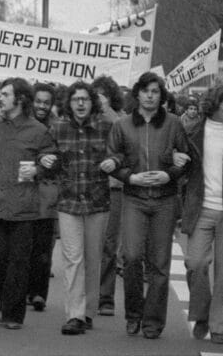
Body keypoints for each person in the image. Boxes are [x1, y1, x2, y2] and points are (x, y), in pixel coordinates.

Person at [101, 71, 190, 339]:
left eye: (155, 91)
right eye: (146, 90)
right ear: (137, 93)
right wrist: (130, 176)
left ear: (161, 96)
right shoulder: (123, 125)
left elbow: (186, 160)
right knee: (130, 258)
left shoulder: (173, 124)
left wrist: (170, 174)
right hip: (134, 198)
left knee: (160, 265)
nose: (150, 96)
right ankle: (133, 315)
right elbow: (113, 159)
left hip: (164, 200)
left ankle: (153, 322)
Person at [0, 77, 55, 330]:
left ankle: (14, 314)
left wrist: (41, 167)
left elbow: (51, 162)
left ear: (20, 99)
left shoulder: (38, 130)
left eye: (4, 94)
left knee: (19, 262)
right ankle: (5, 301)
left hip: (24, 206)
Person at [41, 81, 114, 335]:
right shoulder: (58, 126)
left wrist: (114, 160)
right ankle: (74, 314)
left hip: (97, 201)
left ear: (92, 102)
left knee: (93, 258)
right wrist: (45, 158)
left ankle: (88, 311)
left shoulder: (106, 125)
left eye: (85, 99)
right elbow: (46, 153)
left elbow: (121, 152)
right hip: (68, 201)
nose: (80, 104)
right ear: (68, 104)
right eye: (75, 100)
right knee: (73, 258)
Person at [181, 85, 223, 345]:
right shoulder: (193, 132)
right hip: (200, 208)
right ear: (215, 106)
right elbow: (181, 168)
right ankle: (202, 314)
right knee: (195, 264)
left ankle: (219, 327)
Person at [91, 74, 125, 316]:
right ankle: (88, 293)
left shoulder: (121, 122)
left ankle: (105, 297)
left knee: (110, 244)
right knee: (89, 244)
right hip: (90, 188)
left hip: (113, 188)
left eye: (101, 95)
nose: (96, 100)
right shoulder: (85, 121)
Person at [27, 82, 59, 312]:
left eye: (46, 102)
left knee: (42, 248)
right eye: (38, 101)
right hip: (23, 191)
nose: (42, 106)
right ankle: (23, 288)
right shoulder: (22, 124)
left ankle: (39, 293)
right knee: (22, 247)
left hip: (47, 192)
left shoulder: (57, 128)